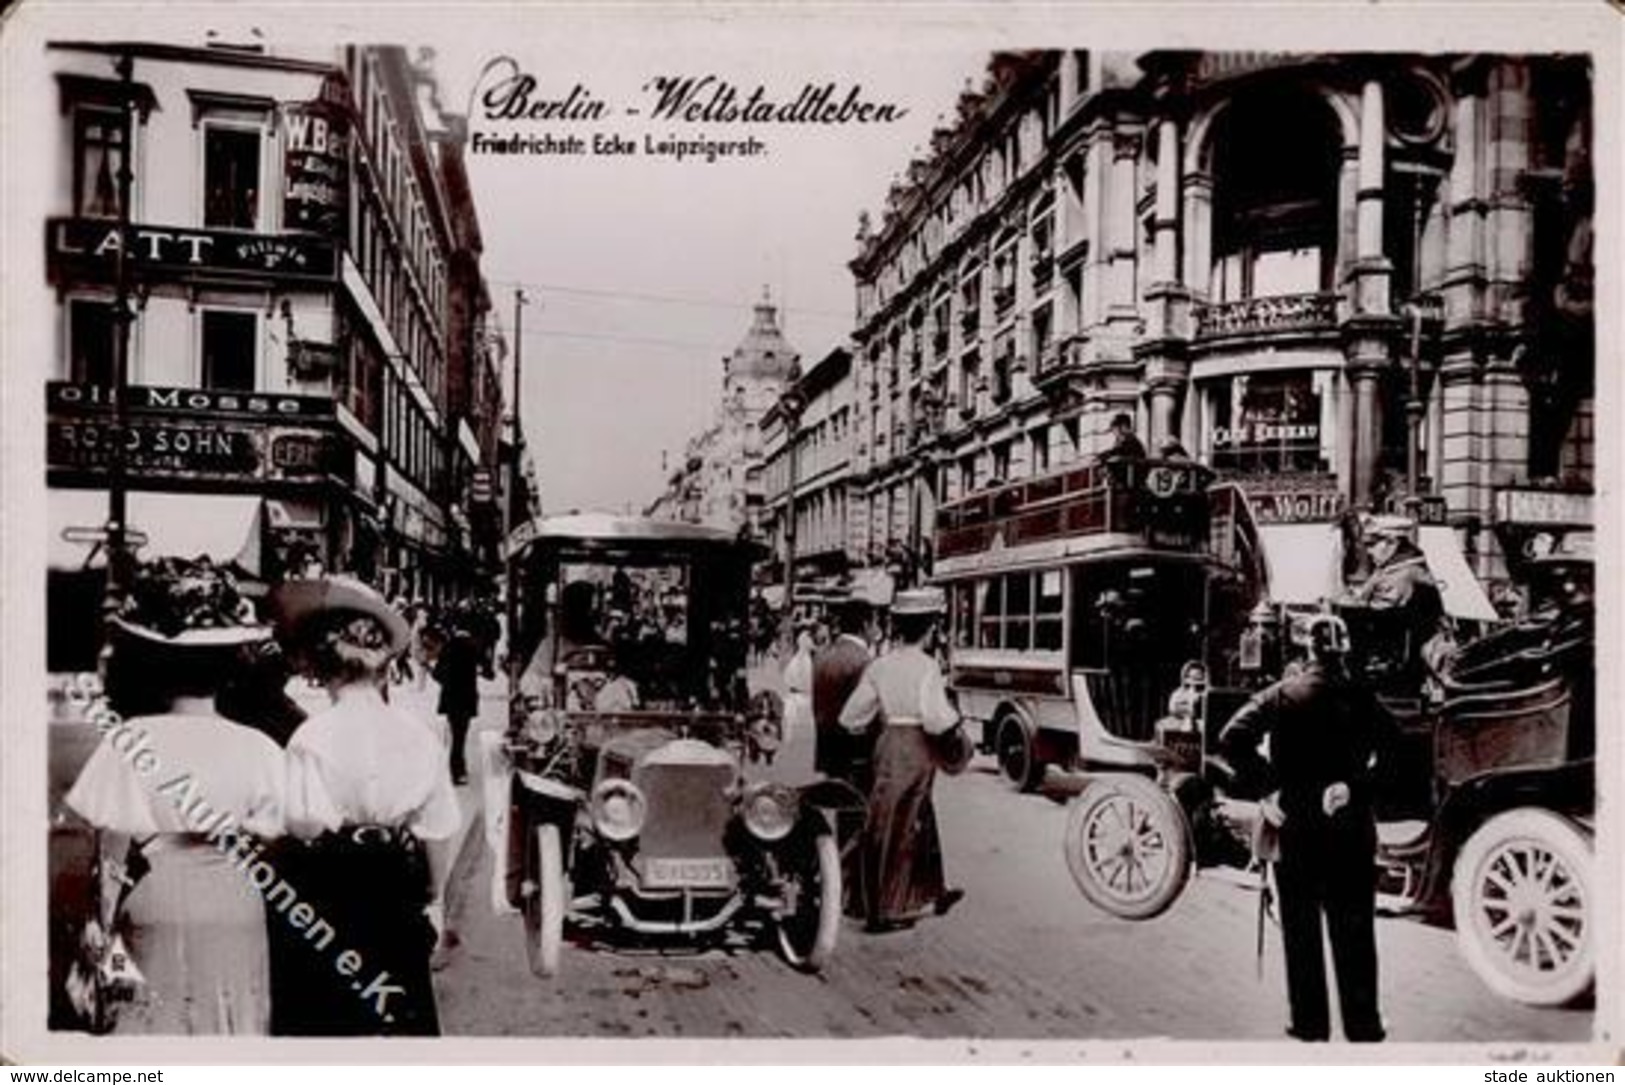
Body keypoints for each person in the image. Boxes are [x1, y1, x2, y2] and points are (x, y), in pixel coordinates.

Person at [63, 557, 286, 1035]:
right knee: (230, 1010)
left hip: (150, 897)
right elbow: (273, 838)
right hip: (233, 899)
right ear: (229, 668)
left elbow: (109, 851)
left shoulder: (131, 739)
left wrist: (100, 936)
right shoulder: (258, 748)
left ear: (156, 666)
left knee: (147, 1012)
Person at [267, 576, 461, 1036]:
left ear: (325, 668)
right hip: (395, 881)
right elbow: (437, 830)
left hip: (328, 885)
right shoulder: (419, 736)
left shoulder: (310, 738)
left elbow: (304, 825)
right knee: (399, 1009)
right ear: (383, 669)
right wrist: (433, 900)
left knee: (330, 1014)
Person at [1217, 613, 1402, 1043]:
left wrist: (1268, 788)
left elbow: (1231, 738)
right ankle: (1363, 1025)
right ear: (1345, 650)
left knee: (1301, 930)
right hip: (1350, 829)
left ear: (1307, 650)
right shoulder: (1365, 698)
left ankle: (1309, 1025)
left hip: (1296, 826)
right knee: (1355, 930)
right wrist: (1356, 788)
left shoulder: (1281, 695)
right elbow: (1399, 759)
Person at [838, 589, 966, 931]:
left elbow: (851, 717)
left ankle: (932, 890)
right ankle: (887, 907)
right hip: (916, 747)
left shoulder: (879, 666)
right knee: (906, 820)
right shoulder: (927, 667)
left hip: (887, 742)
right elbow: (935, 718)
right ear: (929, 628)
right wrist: (955, 721)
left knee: (895, 815)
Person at [811, 599, 875, 787]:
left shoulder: (822, 655)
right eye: (874, 623)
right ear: (865, 625)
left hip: (826, 747)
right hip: (856, 752)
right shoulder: (863, 660)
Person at [434, 610, 482, 785]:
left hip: (451, 697)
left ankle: (456, 768)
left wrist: (448, 683)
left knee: (455, 735)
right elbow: (486, 672)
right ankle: (457, 771)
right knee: (460, 737)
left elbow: (437, 673)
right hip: (466, 699)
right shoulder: (473, 647)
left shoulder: (448, 646)